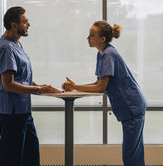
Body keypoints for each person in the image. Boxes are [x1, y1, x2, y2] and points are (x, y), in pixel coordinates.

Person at [62, 21, 147, 166]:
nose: (87, 38)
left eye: (91, 35)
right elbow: (98, 83)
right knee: (133, 154)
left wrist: (75, 86)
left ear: (102, 39)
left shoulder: (108, 54)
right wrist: (74, 88)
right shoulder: (101, 54)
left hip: (132, 107)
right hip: (131, 108)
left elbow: (101, 88)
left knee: (131, 156)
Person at [0, 6, 61, 166]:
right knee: (13, 159)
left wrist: (40, 86)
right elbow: (8, 84)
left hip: (22, 112)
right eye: (25, 21)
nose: (29, 24)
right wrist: (38, 90)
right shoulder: (6, 48)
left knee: (30, 155)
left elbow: (21, 77)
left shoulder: (16, 45)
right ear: (14, 24)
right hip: (12, 113)